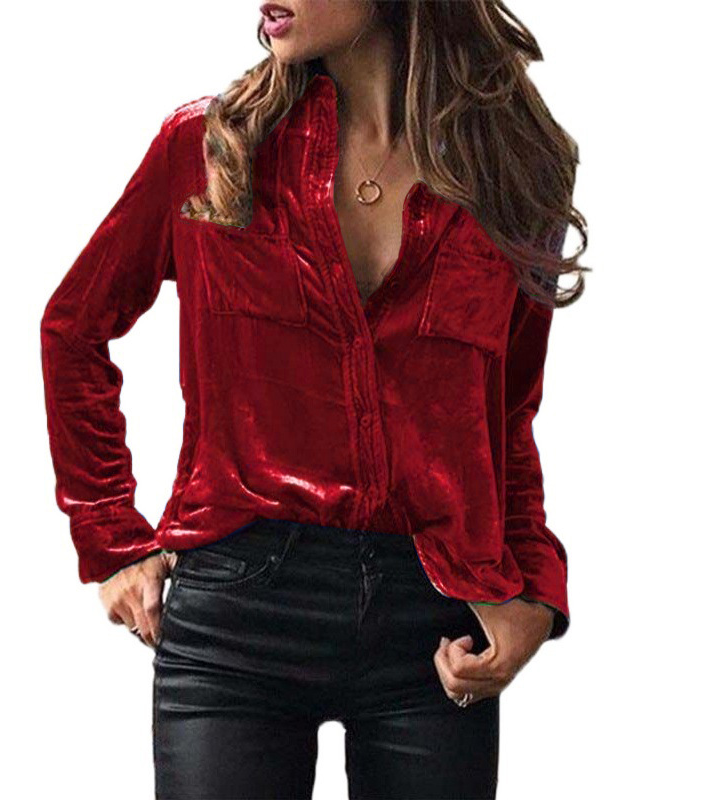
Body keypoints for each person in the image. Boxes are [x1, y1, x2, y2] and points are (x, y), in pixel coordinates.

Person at [40, 1, 586, 798]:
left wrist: (532, 588)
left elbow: (505, 414)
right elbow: (74, 328)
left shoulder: (513, 172)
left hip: (434, 623)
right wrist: (111, 540)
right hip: (237, 616)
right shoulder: (209, 148)